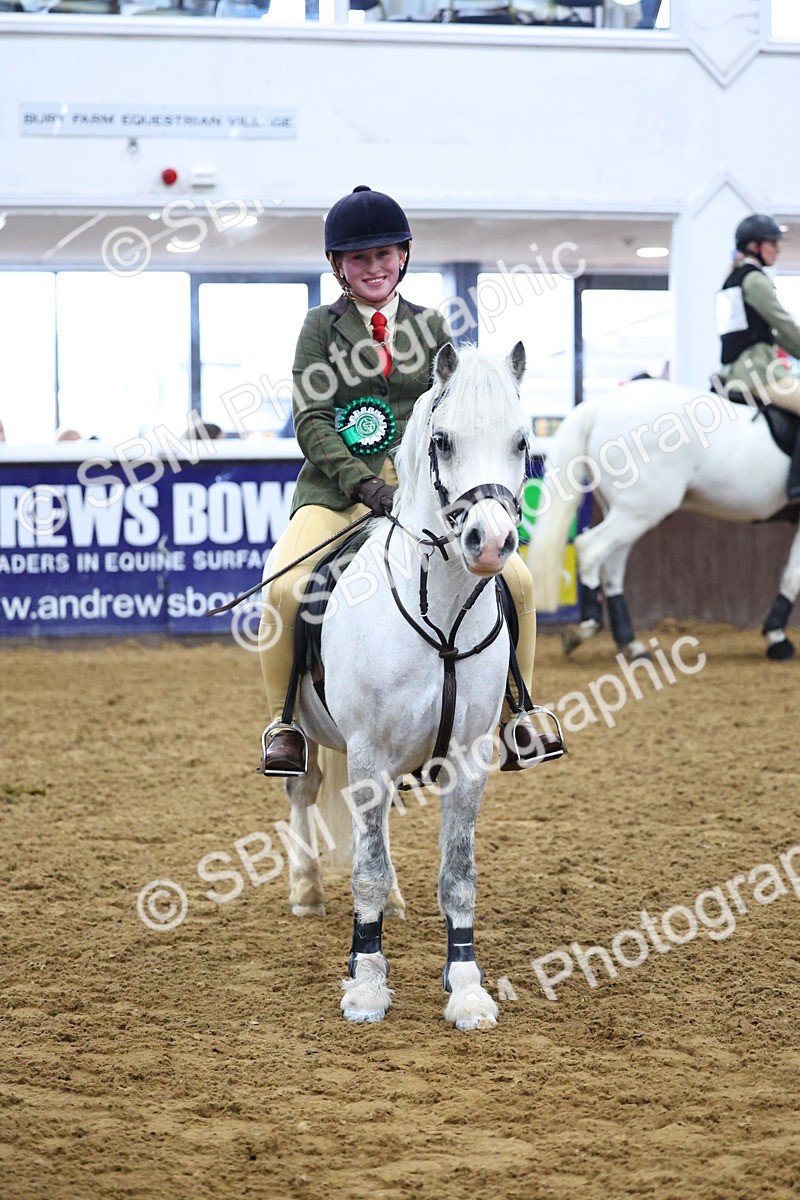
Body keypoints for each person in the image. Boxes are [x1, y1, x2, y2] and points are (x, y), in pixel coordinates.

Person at [257, 185, 541, 776]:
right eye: (359, 259)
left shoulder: (431, 324)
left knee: (517, 579)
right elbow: (311, 419)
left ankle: (516, 712)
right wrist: (362, 484)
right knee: (285, 591)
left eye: (384, 255)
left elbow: (452, 413)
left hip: (424, 497)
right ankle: (287, 726)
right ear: (338, 267)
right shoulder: (319, 328)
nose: (373, 268)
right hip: (337, 494)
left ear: (404, 256)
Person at [715, 213, 800, 499]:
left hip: (734, 370)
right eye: (771, 243)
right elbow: (783, 325)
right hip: (758, 372)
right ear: (754, 246)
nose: (777, 249)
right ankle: (798, 482)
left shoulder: (731, 280)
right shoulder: (755, 281)